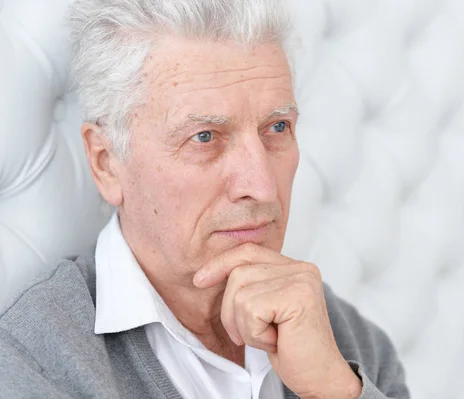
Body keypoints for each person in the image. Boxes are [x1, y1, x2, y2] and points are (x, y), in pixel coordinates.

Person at [0, 1, 410, 398]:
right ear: (107, 163)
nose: (262, 186)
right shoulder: (32, 364)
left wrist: (335, 392)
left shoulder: (352, 346)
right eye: (204, 137)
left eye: (277, 127)